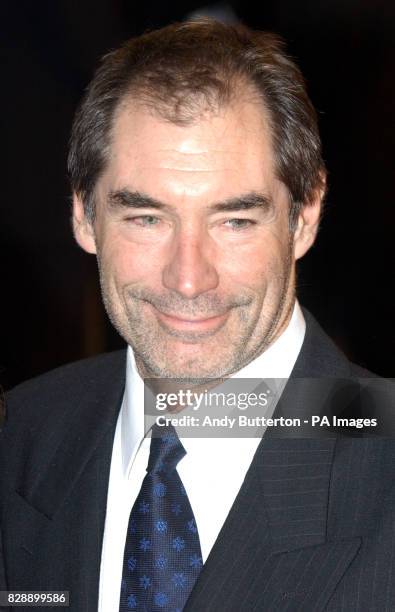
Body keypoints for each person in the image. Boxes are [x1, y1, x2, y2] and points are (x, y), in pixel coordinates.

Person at [0, 19, 394, 612]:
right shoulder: (23, 434)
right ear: (83, 214)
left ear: (305, 215)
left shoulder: (380, 460)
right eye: (146, 218)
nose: (188, 278)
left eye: (234, 220)